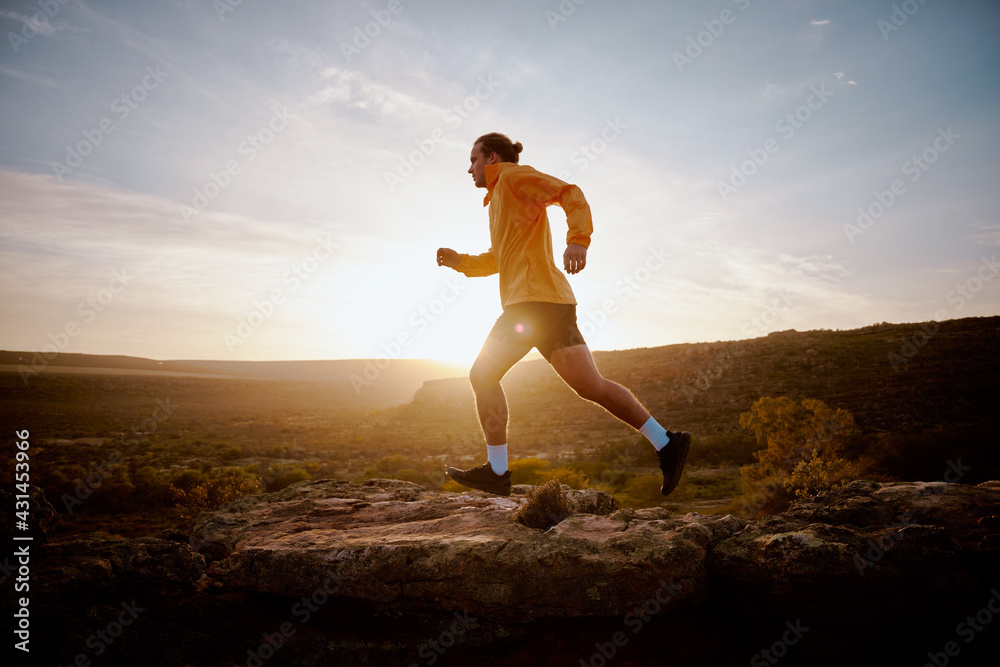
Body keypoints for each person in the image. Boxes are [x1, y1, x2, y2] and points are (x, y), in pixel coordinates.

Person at [437, 132, 690, 497]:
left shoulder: (511, 177)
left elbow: (569, 192)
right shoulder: (498, 201)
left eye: (473, 160)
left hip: (532, 303)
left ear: (492, 158)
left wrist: (578, 239)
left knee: (482, 373)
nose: (469, 168)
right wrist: (461, 262)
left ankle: (497, 471)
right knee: (591, 385)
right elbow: (499, 257)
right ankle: (667, 442)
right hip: (551, 302)